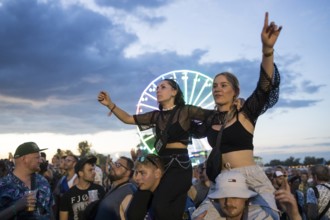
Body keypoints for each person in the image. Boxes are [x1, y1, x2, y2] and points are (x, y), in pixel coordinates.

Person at [192, 12, 282, 218]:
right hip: (221, 183)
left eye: (224, 85)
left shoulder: (246, 113)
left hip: (250, 179)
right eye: (214, 86)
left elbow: (264, 87)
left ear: (235, 90)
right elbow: (182, 118)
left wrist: (267, 50)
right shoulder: (210, 119)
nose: (218, 89)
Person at [98, 73, 210, 219]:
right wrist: (110, 104)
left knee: (161, 207)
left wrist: (234, 105)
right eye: (157, 88)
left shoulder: (185, 111)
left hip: (179, 167)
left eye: (163, 87)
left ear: (174, 92)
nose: (158, 90)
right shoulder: (156, 116)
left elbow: (212, 115)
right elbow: (128, 119)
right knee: (134, 211)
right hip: (159, 166)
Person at [0, 142, 54, 220]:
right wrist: (16, 207)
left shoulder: (43, 181)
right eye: (37, 157)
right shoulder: (3, 185)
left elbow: (50, 210)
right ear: (24, 159)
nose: (41, 161)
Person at [59, 155, 105, 220]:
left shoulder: (99, 190)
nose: (94, 173)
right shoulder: (67, 196)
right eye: (90, 170)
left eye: (93, 169)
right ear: (81, 173)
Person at [127, 154, 165, 220]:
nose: (137, 178)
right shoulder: (142, 195)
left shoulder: (171, 201)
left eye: (142, 173)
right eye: (136, 173)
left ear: (157, 173)